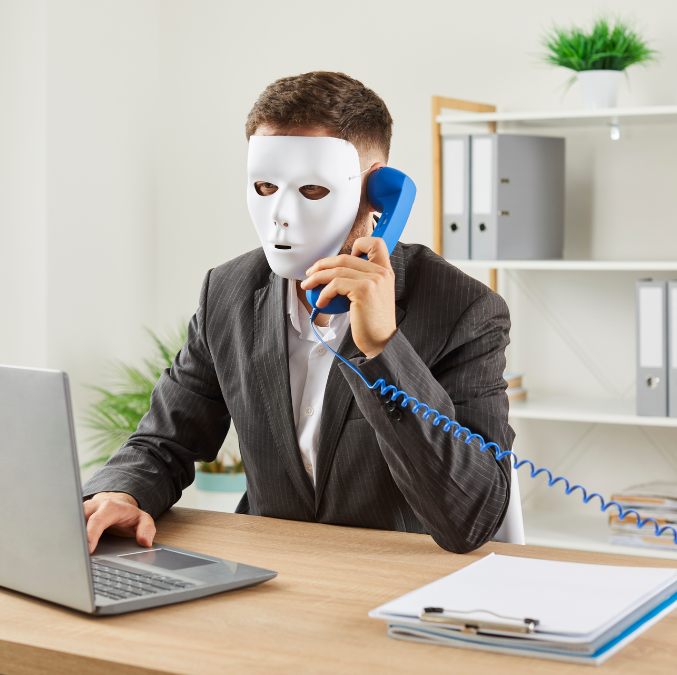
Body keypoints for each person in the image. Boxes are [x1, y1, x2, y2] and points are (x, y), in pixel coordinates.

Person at [82, 71, 514, 555]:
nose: (280, 215)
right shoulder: (227, 292)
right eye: (265, 186)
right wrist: (121, 492)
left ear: (378, 191)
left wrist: (382, 350)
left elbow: (472, 518)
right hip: (268, 576)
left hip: (398, 586)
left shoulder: (465, 309)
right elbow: (165, 441)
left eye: (311, 191)